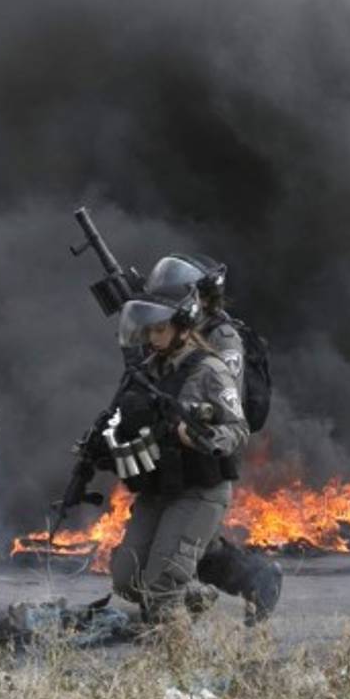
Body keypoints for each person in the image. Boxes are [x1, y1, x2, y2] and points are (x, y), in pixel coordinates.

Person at [144, 255, 282, 625]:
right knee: (184, 536)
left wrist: (188, 421)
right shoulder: (170, 330)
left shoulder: (223, 338)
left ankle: (250, 579)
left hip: (204, 445)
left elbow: (224, 400)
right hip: (172, 447)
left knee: (187, 537)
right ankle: (244, 581)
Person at [102, 284, 250, 621]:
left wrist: (201, 436)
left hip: (198, 490)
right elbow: (122, 418)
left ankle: (174, 662)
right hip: (158, 487)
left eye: (160, 329)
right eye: (149, 330)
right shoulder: (148, 371)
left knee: (161, 588)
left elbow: (238, 429)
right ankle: (192, 594)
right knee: (126, 578)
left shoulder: (209, 370)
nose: (153, 338)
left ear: (184, 327)